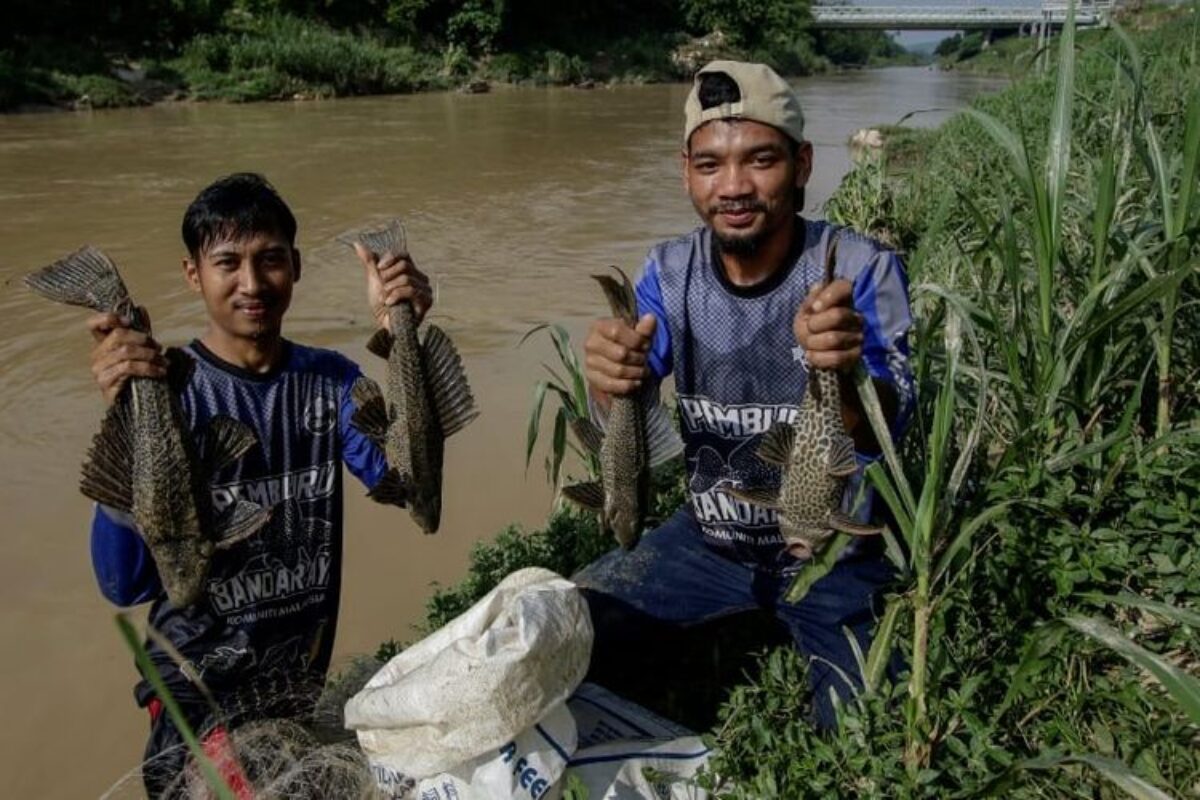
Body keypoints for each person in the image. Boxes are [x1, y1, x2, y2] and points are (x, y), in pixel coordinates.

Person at [575, 61, 915, 730]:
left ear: (802, 164)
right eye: (709, 165)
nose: (733, 186)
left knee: (866, 730)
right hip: (709, 541)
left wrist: (844, 372)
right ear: (686, 173)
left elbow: (892, 432)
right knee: (572, 628)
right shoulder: (668, 272)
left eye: (760, 160)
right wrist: (607, 377)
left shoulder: (861, 269)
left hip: (837, 550)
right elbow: (626, 411)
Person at [86, 173, 430, 795]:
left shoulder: (331, 381)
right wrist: (124, 422)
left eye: (270, 259)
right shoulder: (173, 393)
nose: (251, 282)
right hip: (197, 693)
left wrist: (399, 332)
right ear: (193, 274)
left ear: (295, 266)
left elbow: (404, 483)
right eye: (228, 262)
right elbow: (124, 582)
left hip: (293, 680)